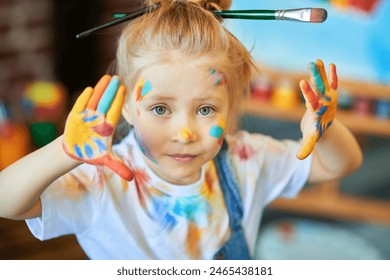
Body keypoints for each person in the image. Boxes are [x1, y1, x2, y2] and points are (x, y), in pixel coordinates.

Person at [0, 0, 362, 260]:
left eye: (205, 109)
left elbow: (340, 165)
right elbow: (6, 202)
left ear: (232, 107)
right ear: (127, 106)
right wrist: (63, 151)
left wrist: (326, 130)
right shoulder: (100, 181)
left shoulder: (245, 159)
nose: (185, 132)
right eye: (160, 108)